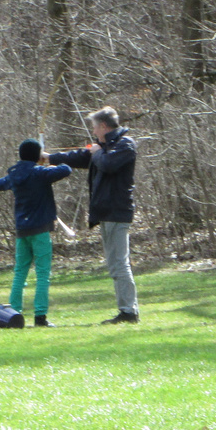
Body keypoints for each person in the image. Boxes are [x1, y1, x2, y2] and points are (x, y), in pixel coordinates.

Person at [49, 107, 139, 324]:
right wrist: (48, 157)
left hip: (117, 211)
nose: (93, 131)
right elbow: (80, 155)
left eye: (95, 127)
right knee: (115, 263)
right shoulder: (103, 146)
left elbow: (107, 164)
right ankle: (126, 310)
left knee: (119, 263)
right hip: (107, 213)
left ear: (104, 127)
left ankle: (129, 312)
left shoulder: (125, 144)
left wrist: (97, 152)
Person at [0, 138, 71, 327]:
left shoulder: (15, 174)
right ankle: (40, 317)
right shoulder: (39, 173)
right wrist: (49, 159)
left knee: (20, 273)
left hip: (22, 230)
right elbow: (66, 169)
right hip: (40, 231)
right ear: (37, 156)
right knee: (43, 273)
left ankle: (12, 315)